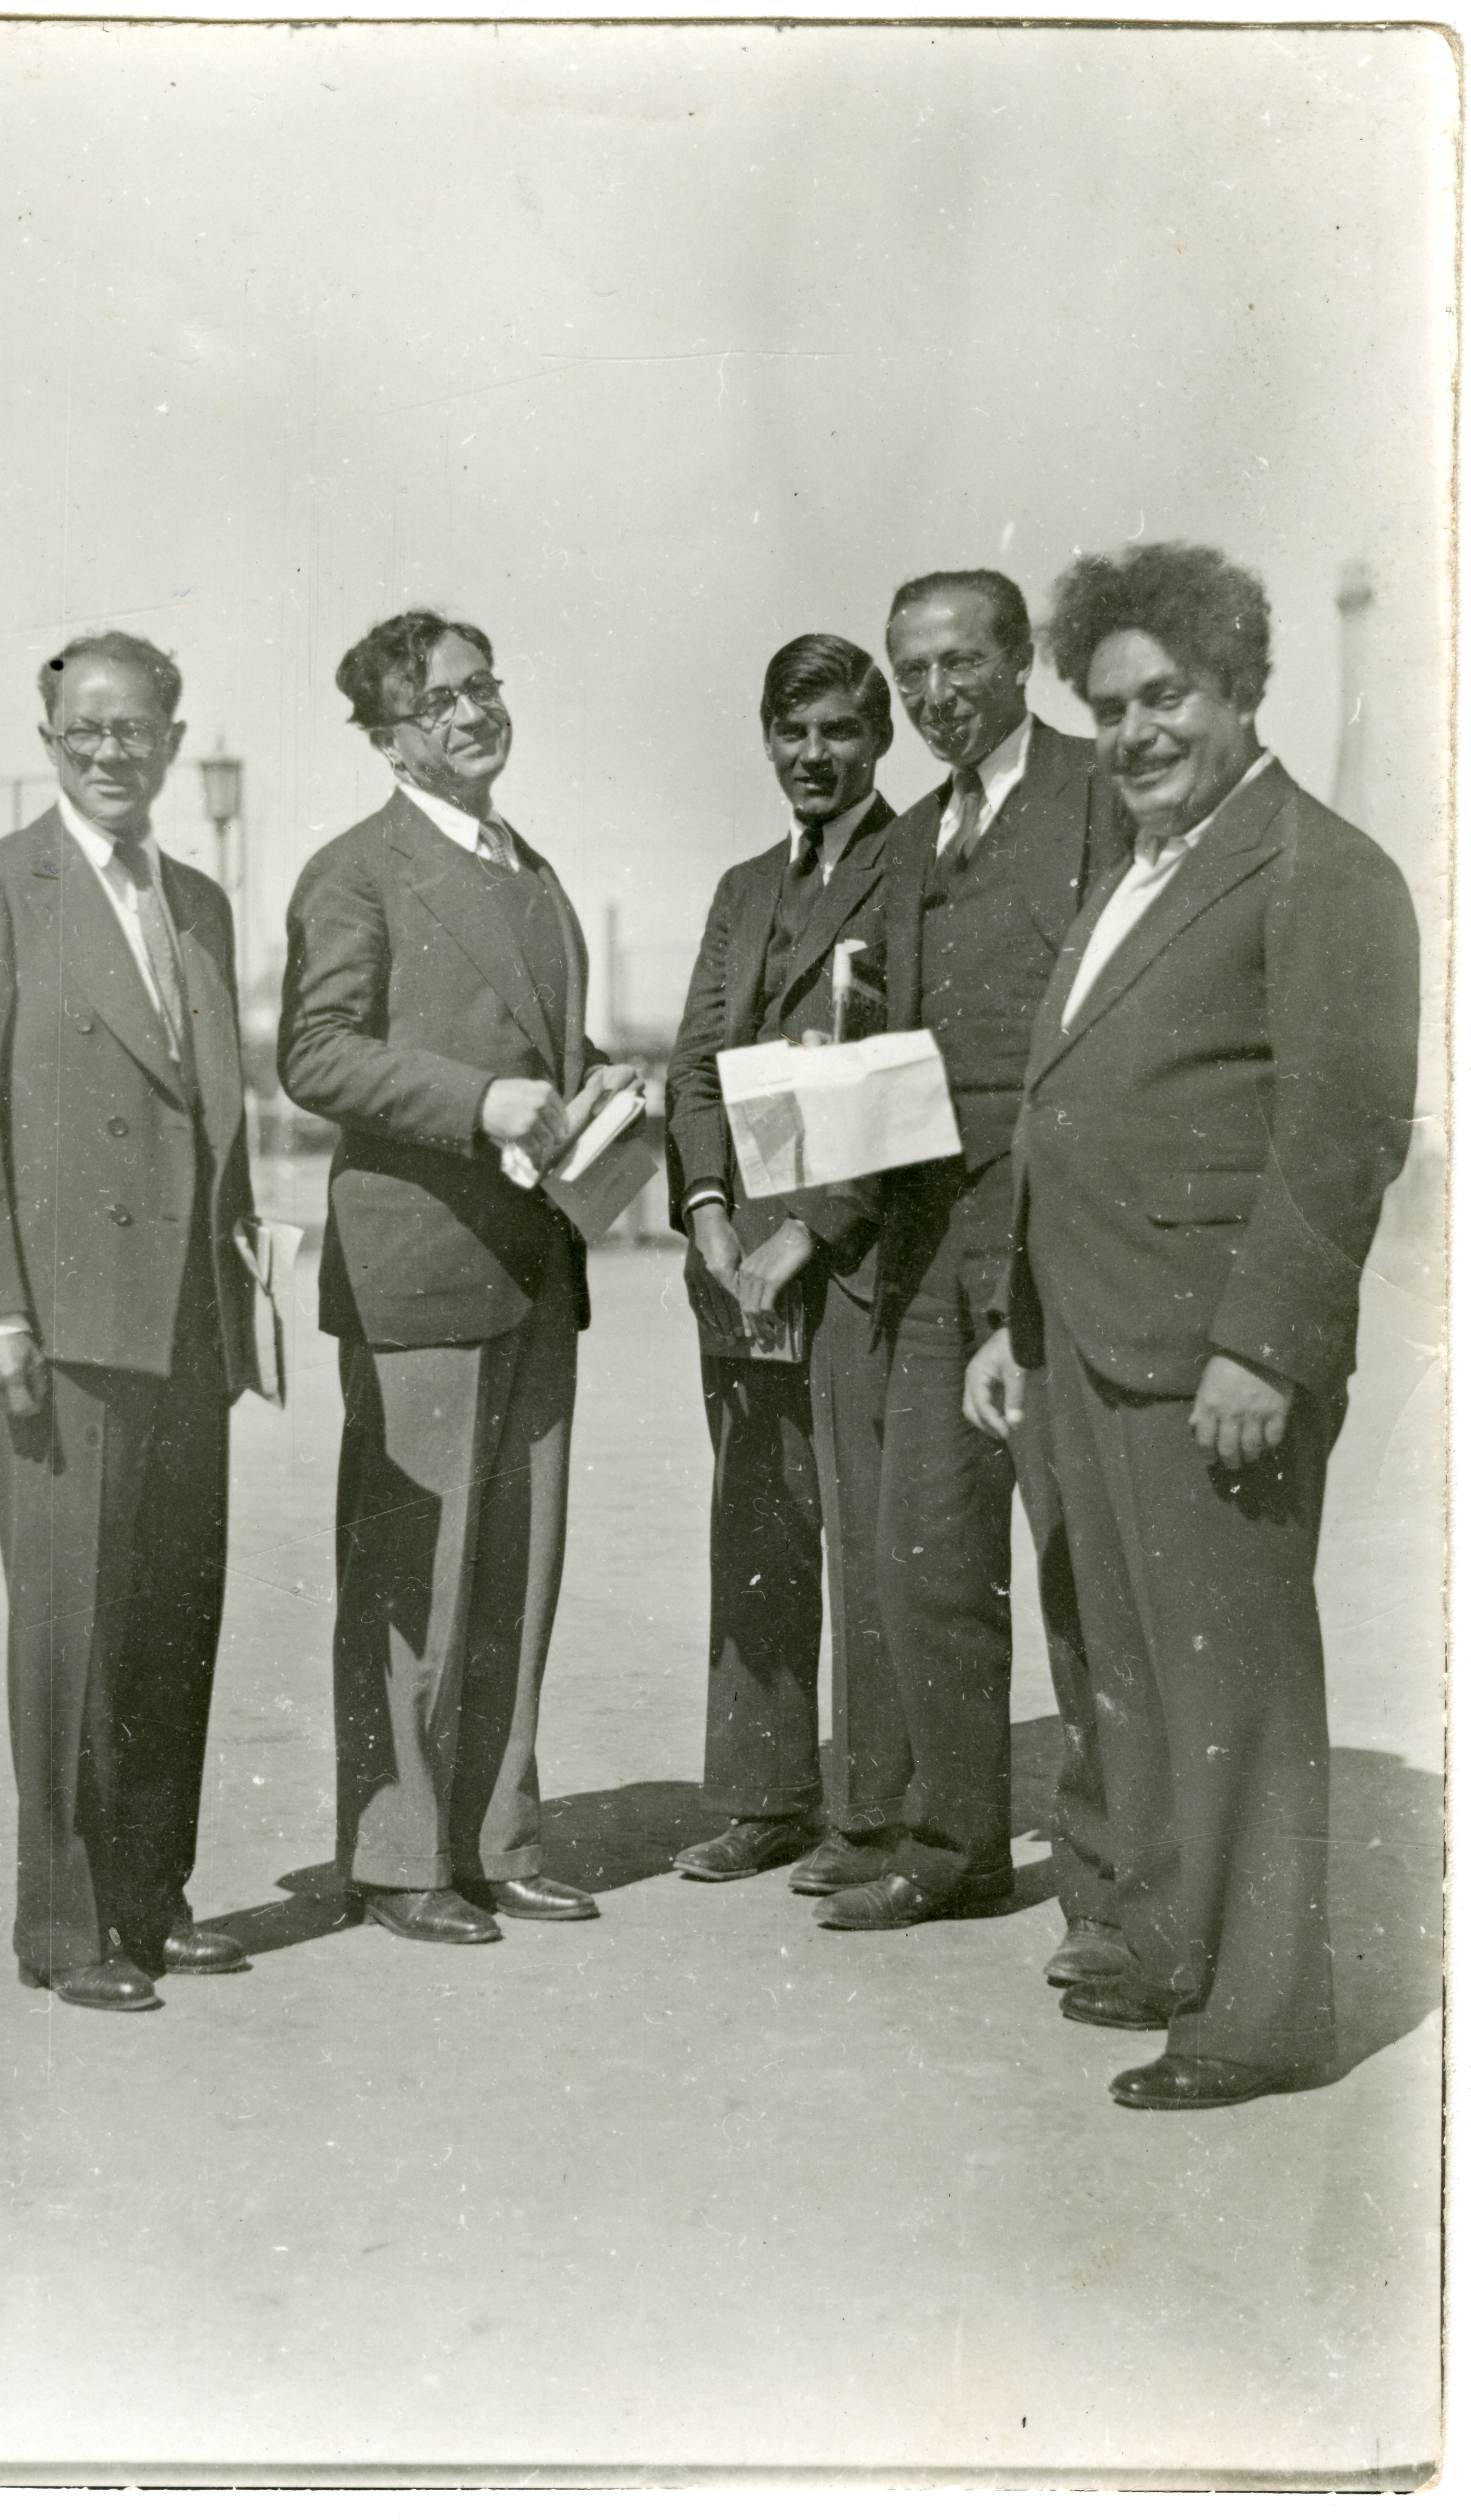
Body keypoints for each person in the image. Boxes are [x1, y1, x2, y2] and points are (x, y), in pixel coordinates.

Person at [966, 542, 1419, 2108]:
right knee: (1131, 1668)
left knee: (1230, 1673)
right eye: (1108, 706)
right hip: (1087, 1337)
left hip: (1210, 1353)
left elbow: (1340, 1127)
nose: (1136, 730)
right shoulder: (1132, 870)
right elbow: (1063, 1107)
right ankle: (1170, 1942)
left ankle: (1263, 2010)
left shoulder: (1319, 865)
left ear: (1236, 685)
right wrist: (1010, 1317)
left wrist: (1264, 1345)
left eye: (1165, 695)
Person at [278, 610, 637, 1946]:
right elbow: (315, 1054)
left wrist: (597, 1077)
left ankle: (499, 1833)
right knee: (414, 1572)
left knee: (519, 1568)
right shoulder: (355, 871)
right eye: (438, 703)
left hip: (538, 1257)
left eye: (484, 687)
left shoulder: (528, 867)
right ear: (384, 735)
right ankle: (396, 1853)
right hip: (418, 1265)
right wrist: (487, 1099)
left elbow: (529, 1035)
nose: (473, 713)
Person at [0, 630, 258, 2013]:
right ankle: (65, 1924)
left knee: (173, 1619)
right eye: (88, 733)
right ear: (50, 742)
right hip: (61, 1326)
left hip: (189, 1318)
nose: (115, 754)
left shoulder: (200, 905)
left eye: (140, 731)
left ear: (175, 743)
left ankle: (152, 1894)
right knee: (68, 1628)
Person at [814, 570, 1126, 1945]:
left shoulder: (1099, 794)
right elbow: (864, 1045)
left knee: (1080, 1573)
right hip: (928, 1243)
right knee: (926, 1555)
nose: (934, 693)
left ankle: (1118, 1899)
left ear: (1021, 662)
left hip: (1061, 1235)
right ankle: (957, 1844)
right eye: (911, 670)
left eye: (957, 663)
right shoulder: (903, 842)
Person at [662, 634, 913, 1892]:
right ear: (766, 738)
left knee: (864, 1527)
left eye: (839, 733)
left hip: (853, 1259)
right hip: (740, 1264)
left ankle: (873, 1814)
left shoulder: (912, 865)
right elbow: (703, 1058)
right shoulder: (742, 886)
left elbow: (903, 1064)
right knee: (755, 1523)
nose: (813, 756)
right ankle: (765, 1795)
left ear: (880, 743)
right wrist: (710, 1206)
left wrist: (811, 1224)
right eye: (793, 731)